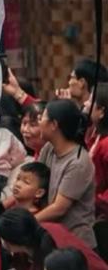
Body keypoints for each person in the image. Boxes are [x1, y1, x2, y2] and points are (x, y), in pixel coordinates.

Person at [39, 100, 98, 248]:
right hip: (53, 236)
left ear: (54, 125)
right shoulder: (49, 148)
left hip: (75, 243)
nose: (39, 122)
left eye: (42, 117)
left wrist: (29, 221)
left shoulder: (78, 162)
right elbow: (34, 178)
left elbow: (59, 208)